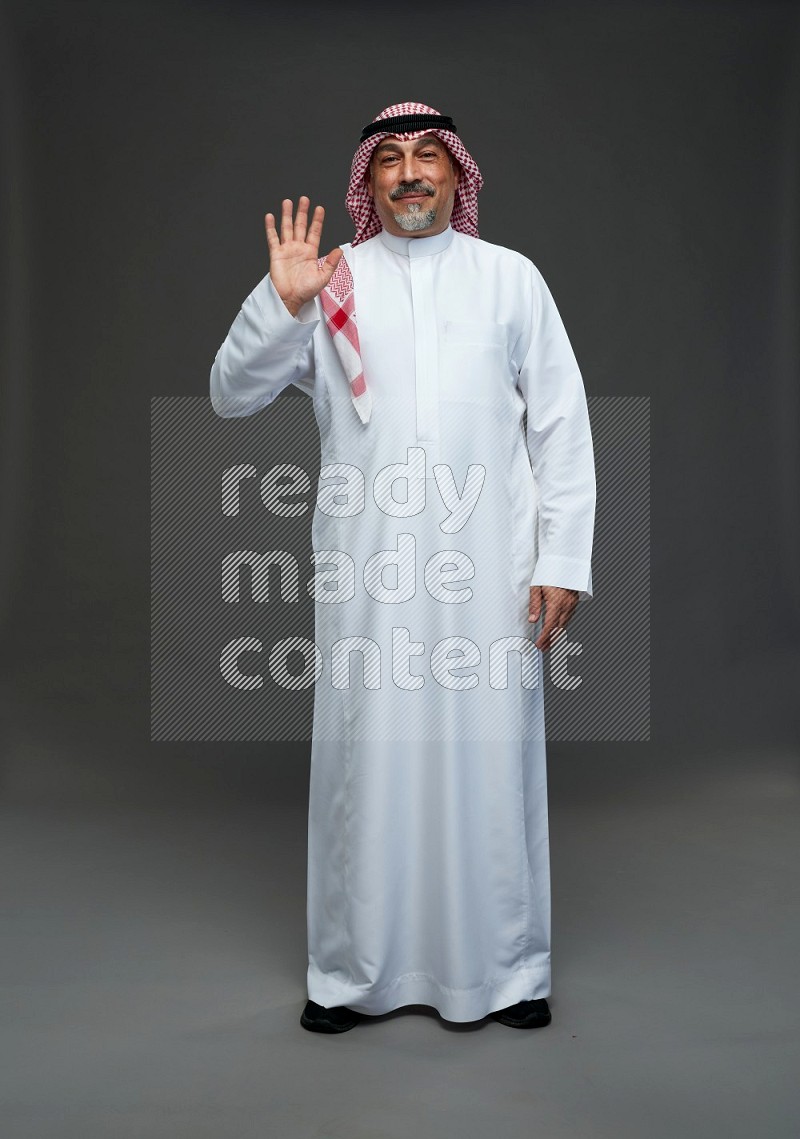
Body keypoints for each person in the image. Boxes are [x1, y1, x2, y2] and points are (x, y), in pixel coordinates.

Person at [210, 102, 596, 1034]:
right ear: (368, 182)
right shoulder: (333, 283)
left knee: (491, 761)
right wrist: (282, 302)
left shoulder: (510, 280)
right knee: (365, 765)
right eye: (391, 160)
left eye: (429, 156)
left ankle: (505, 971)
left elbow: (561, 425)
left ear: (458, 176)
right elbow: (231, 394)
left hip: (488, 571)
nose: (411, 172)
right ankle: (350, 973)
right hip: (369, 573)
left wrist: (562, 559)